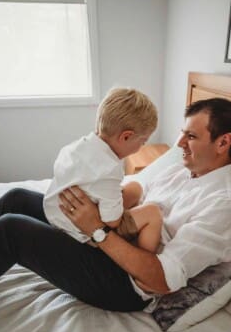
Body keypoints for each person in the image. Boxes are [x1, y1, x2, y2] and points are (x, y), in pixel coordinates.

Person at [0, 98, 231, 313]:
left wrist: (97, 229)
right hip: (117, 237)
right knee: (18, 198)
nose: (179, 143)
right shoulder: (185, 169)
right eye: (183, 133)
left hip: (125, 283)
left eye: (190, 136)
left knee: (12, 230)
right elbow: (137, 187)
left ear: (223, 142)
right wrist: (95, 197)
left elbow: (161, 280)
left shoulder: (226, 206)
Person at [43, 87, 162, 253]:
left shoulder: (76, 147)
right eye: (142, 142)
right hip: (81, 233)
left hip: (55, 214)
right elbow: (112, 221)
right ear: (126, 136)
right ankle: (138, 257)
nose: (142, 147)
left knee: (135, 188)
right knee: (152, 212)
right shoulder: (110, 169)